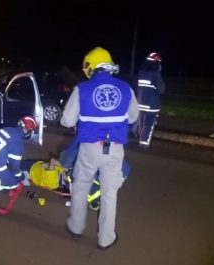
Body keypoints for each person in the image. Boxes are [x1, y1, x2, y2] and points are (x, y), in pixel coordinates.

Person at [60, 47, 139, 250]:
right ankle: (106, 238)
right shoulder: (125, 88)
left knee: (80, 186)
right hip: (115, 149)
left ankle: (76, 228)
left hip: (89, 148)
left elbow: (67, 121)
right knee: (109, 193)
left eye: (87, 65)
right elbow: (133, 117)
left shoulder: (82, 88)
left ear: (93, 65)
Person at [134, 52, 166, 149]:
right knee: (149, 125)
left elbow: (137, 88)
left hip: (140, 103)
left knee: (142, 123)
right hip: (151, 105)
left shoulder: (141, 73)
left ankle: (141, 141)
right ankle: (145, 143)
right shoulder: (156, 74)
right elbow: (162, 89)